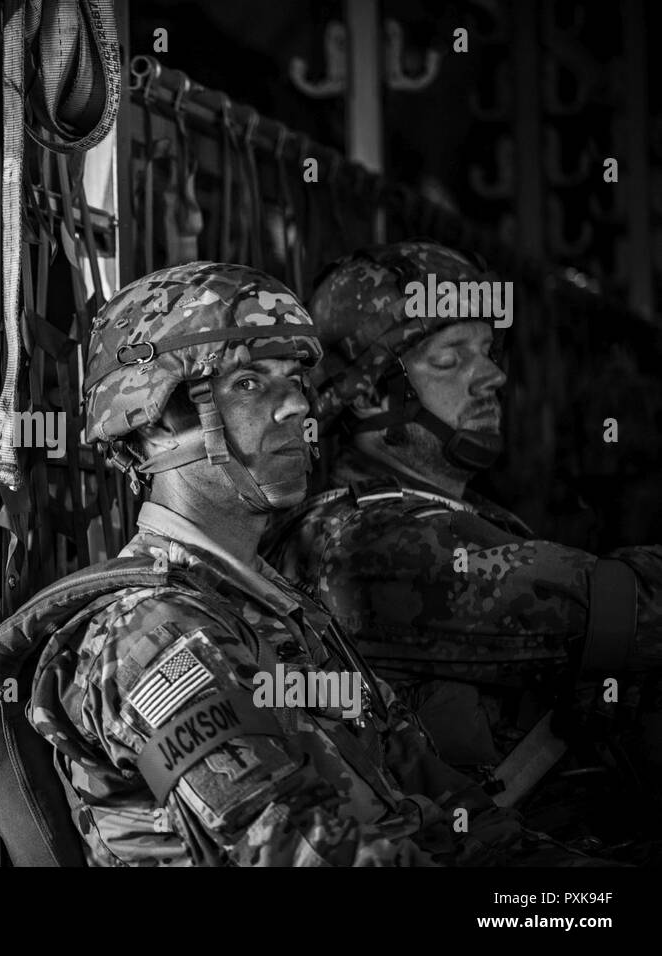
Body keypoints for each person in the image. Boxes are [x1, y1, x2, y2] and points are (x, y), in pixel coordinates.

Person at [25, 261, 543, 866]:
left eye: (294, 377)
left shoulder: (285, 613)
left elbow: (447, 810)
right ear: (156, 423)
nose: (298, 404)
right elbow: (300, 854)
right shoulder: (150, 635)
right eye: (248, 383)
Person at [263, 241, 662, 857]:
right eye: (451, 358)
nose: (494, 375)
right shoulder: (367, 541)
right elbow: (624, 609)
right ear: (369, 395)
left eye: (488, 352)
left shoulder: (455, 513)